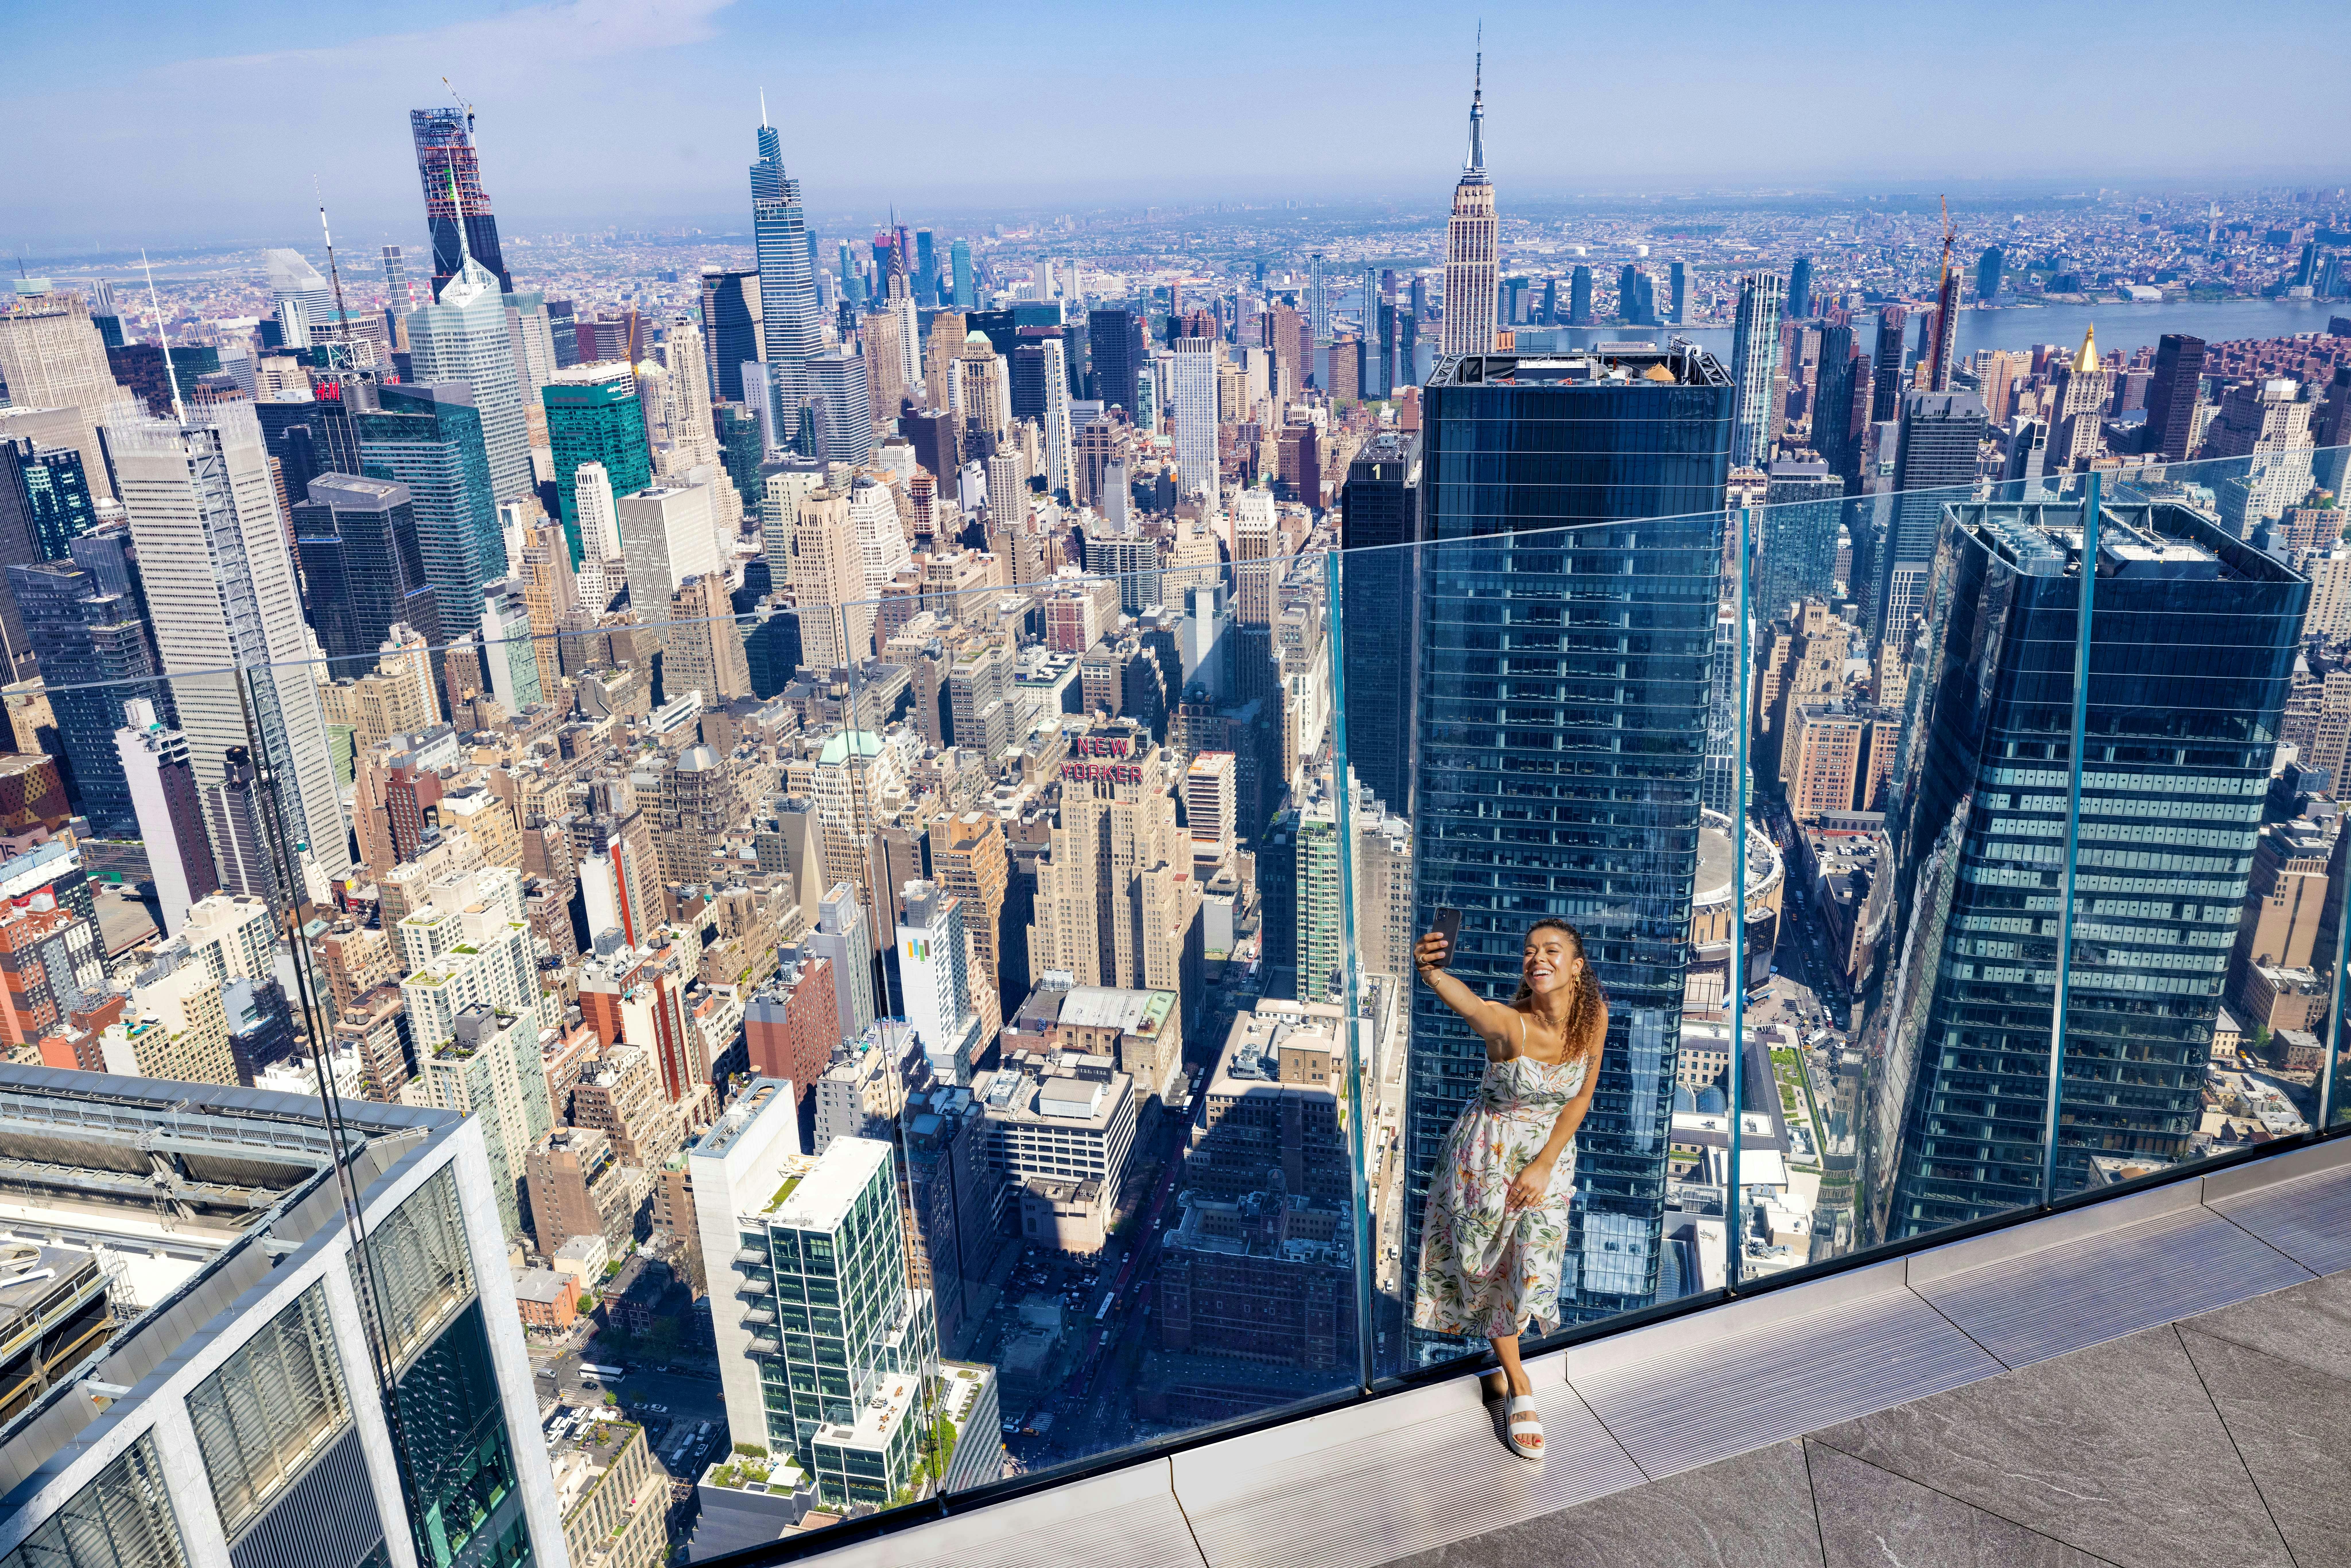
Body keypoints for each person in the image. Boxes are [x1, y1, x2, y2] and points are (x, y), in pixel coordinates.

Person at [1410, 916, 1606, 1460]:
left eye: (1552, 950)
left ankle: (1514, 1374)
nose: (1537, 958)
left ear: (1577, 965)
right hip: (1488, 1157)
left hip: (1548, 1160)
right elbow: (1471, 1004)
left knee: (1535, 1264)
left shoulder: (1594, 1020)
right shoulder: (1508, 1026)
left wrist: (1545, 1164)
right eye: (1529, 952)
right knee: (1497, 1269)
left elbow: (1580, 1099)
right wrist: (1430, 971)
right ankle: (1519, 1383)